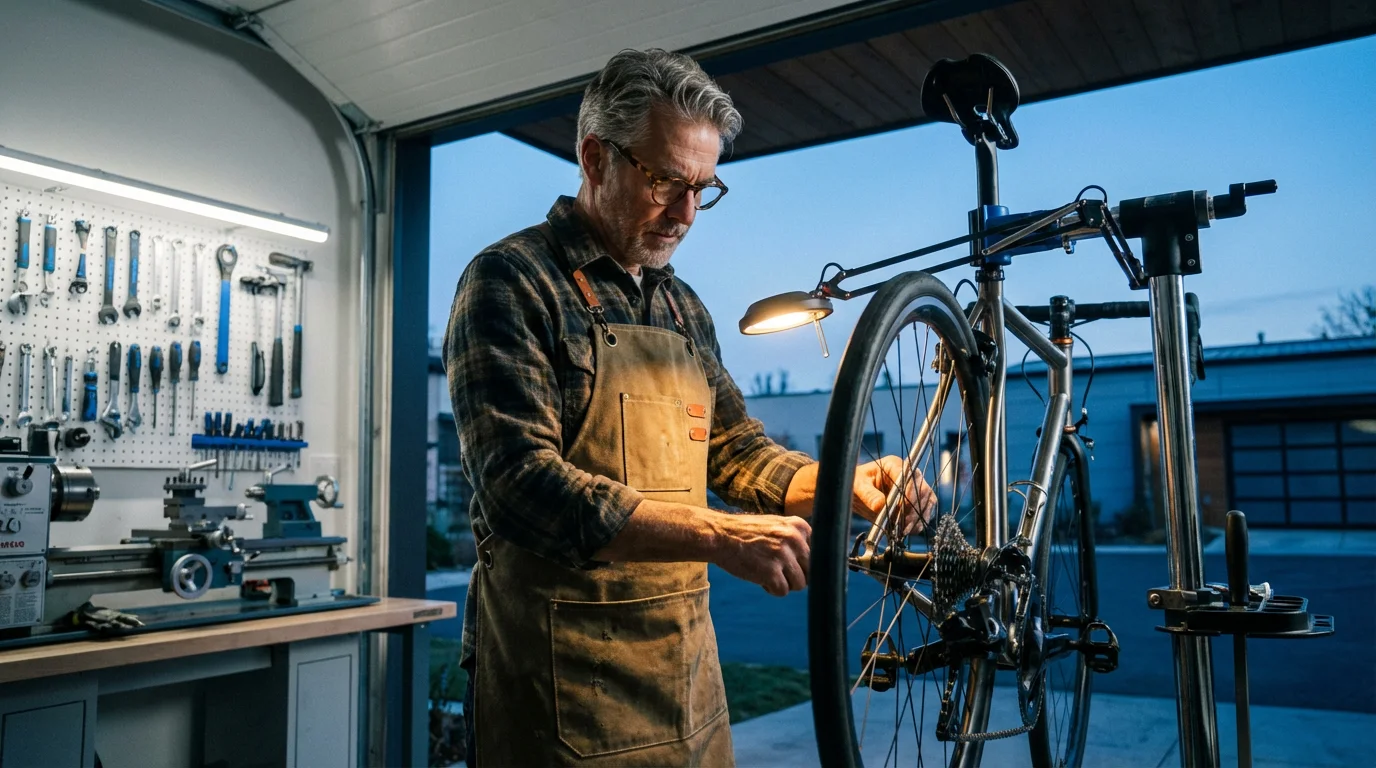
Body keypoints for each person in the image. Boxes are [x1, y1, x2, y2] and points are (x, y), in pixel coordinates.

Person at [444, 48, 933, 767]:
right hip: (558, 686)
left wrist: (842, 485)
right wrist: (722, 537)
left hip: (686, 681)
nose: (687, 213)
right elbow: (521, 487)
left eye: (705, 187)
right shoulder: (512, 283)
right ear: (594, 158)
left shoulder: (681, 305)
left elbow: (738, 453)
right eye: (668, 181)